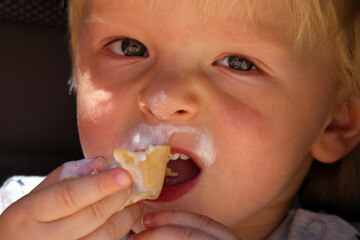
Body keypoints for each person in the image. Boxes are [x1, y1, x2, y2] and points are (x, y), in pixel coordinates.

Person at [0, 0, 360, 239]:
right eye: (129, 47)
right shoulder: (24, 217)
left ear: (334, 123)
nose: (162, 100)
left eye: (238, 63)